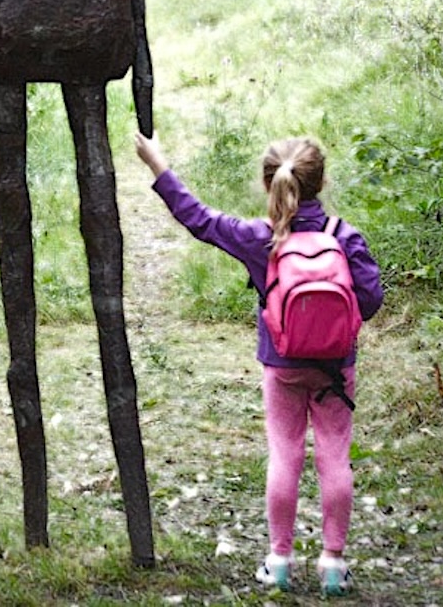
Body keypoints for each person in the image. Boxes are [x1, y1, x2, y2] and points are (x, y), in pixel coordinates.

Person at [133, 131, 384, 596]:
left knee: (285, 455)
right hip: (336, 369)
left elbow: (200, 220)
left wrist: (158, 164)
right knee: (334, 457)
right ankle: (333, 563)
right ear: (322, 182)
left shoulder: (261, 238)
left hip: (282, 364)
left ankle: (280, 560)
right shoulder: (344, 236)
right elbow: (369, 301)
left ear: (267, 183)